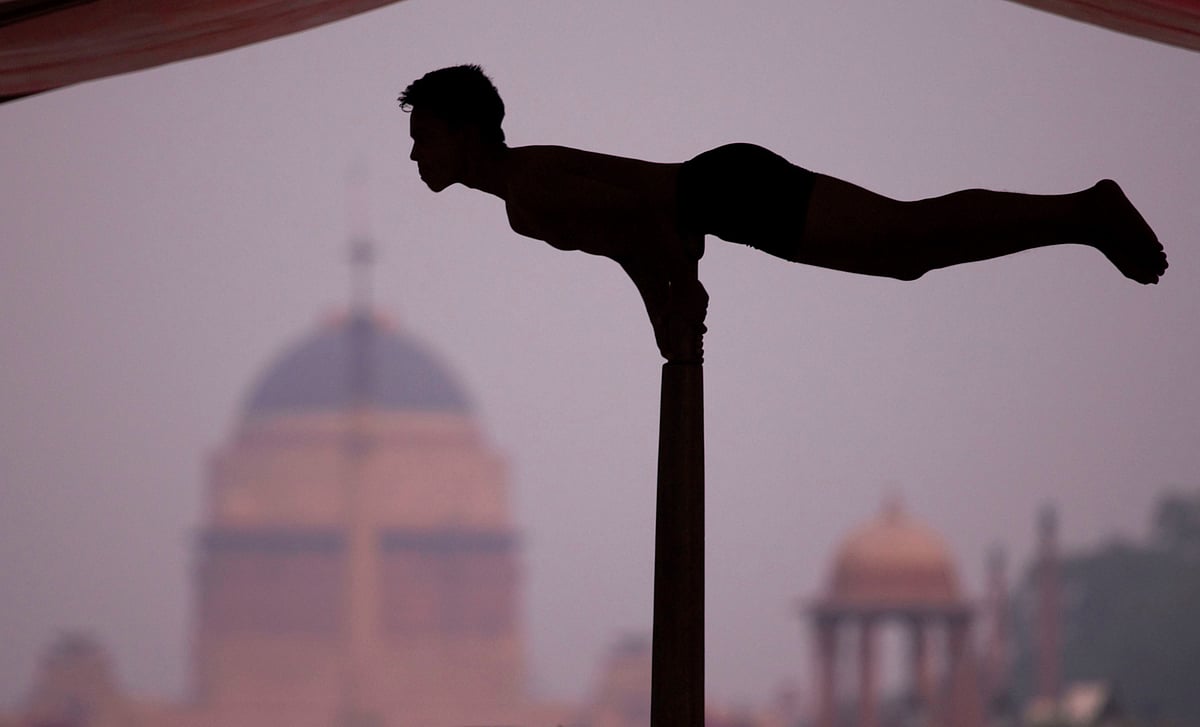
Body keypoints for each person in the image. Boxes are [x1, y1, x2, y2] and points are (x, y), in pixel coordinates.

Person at [398, 64, 1167, 362]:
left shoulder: (529, 188)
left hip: (728, 190)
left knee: (907, 240)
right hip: (722, 195)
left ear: (469, 134)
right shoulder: (522, 205)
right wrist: (664, 317)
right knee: (908, 248)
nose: (415, 154)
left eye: (424, 136)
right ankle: (1079, 217)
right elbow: (625, 244)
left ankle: (1083, 211)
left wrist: (680, 291)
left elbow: (643, 225)